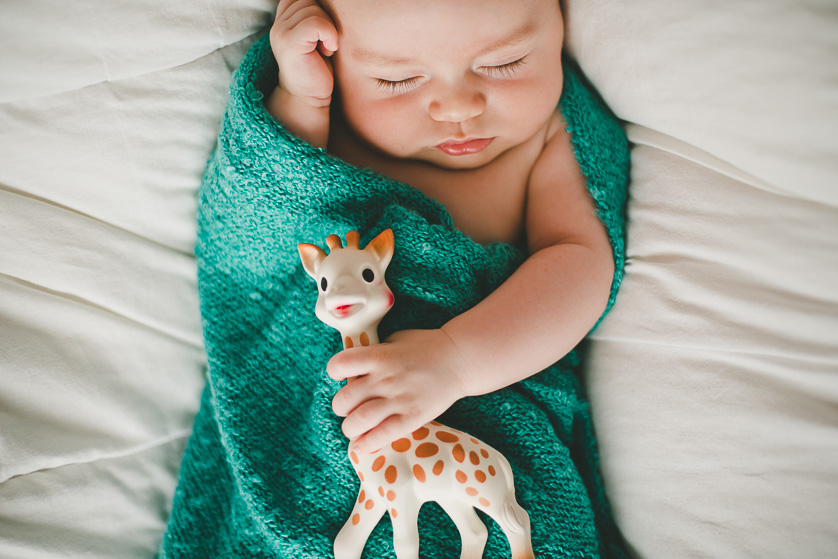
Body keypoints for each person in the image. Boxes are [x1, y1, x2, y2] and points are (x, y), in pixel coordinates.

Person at [266, 0, 614, 456]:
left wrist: (457, 361)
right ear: (331, 57)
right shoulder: (332, 122)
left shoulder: (549, 136)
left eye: (504, 63)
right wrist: (301, 98)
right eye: (398, 79)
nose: (457, 109)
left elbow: (580, 265)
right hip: (307, 428)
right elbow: (270, 202)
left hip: (476, 428)